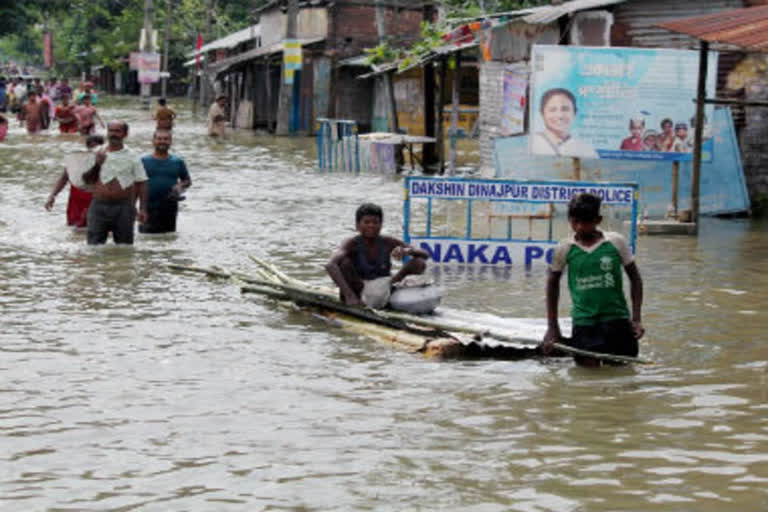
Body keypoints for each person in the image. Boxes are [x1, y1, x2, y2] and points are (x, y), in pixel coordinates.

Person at [542, 193, 644, 367]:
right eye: (575, 222)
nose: (580, 227)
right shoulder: (564, 248)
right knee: (587, 378)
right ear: (569, 220)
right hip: (584, 323)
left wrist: (636, 319)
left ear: (598, 220)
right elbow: (552, 284)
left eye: (586, 222)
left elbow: (635, 278)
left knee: (623, 376)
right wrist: (553, 327)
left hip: (617, 320)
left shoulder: (616, 242)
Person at [326, 203, 429, 308]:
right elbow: (330, 265)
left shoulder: (388, 241)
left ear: (381, 225)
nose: (371, 225)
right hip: (360, 289)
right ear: (357, 225)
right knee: (343, 263)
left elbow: (425, 255)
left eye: (375, 222)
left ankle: (391, 300)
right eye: (366, 222)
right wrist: (349, 296)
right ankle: (354, 300)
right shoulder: (351, 243)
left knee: (418, 262)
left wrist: (407, 251)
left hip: (385, 287)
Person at [81, 121, 148, 245]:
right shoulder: (96, 152)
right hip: (99, 206)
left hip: (124, 207)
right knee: (94, 247)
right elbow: (85, 180)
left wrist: (142, 208)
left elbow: (142, 181)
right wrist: (97, 164)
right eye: (111, 131)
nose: (113, 134)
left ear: (125, 134)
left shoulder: (133, 156)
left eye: (117, 131)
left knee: (125, 248)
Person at [44, 135, 104, 228]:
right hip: (77, 197)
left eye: (96, 147)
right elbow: (64, 178)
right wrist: (52, 196)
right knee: (76, 226)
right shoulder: (78, 159)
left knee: (98, 226)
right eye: (91, 147)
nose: (94, 150)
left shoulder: (107, 161)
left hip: (96, 196)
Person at [139, 130, 191, 233]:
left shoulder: (178, 161)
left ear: (170, 141)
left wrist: (180, 186)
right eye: (159, 139)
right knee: (146, 239)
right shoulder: (143, 161)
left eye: (166, 139)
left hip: (170, 206)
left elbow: (187, 180)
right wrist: (137, 209)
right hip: (147, 207)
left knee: (168, 237)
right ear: (153, 141)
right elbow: (135, 184)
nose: (162, 141)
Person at [530, 88, 598, 159]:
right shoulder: (532, 143)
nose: (560, 115)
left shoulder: (587, 151)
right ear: (542, 113)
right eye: (552, 110)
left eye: (565, 109)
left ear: (575, 113)